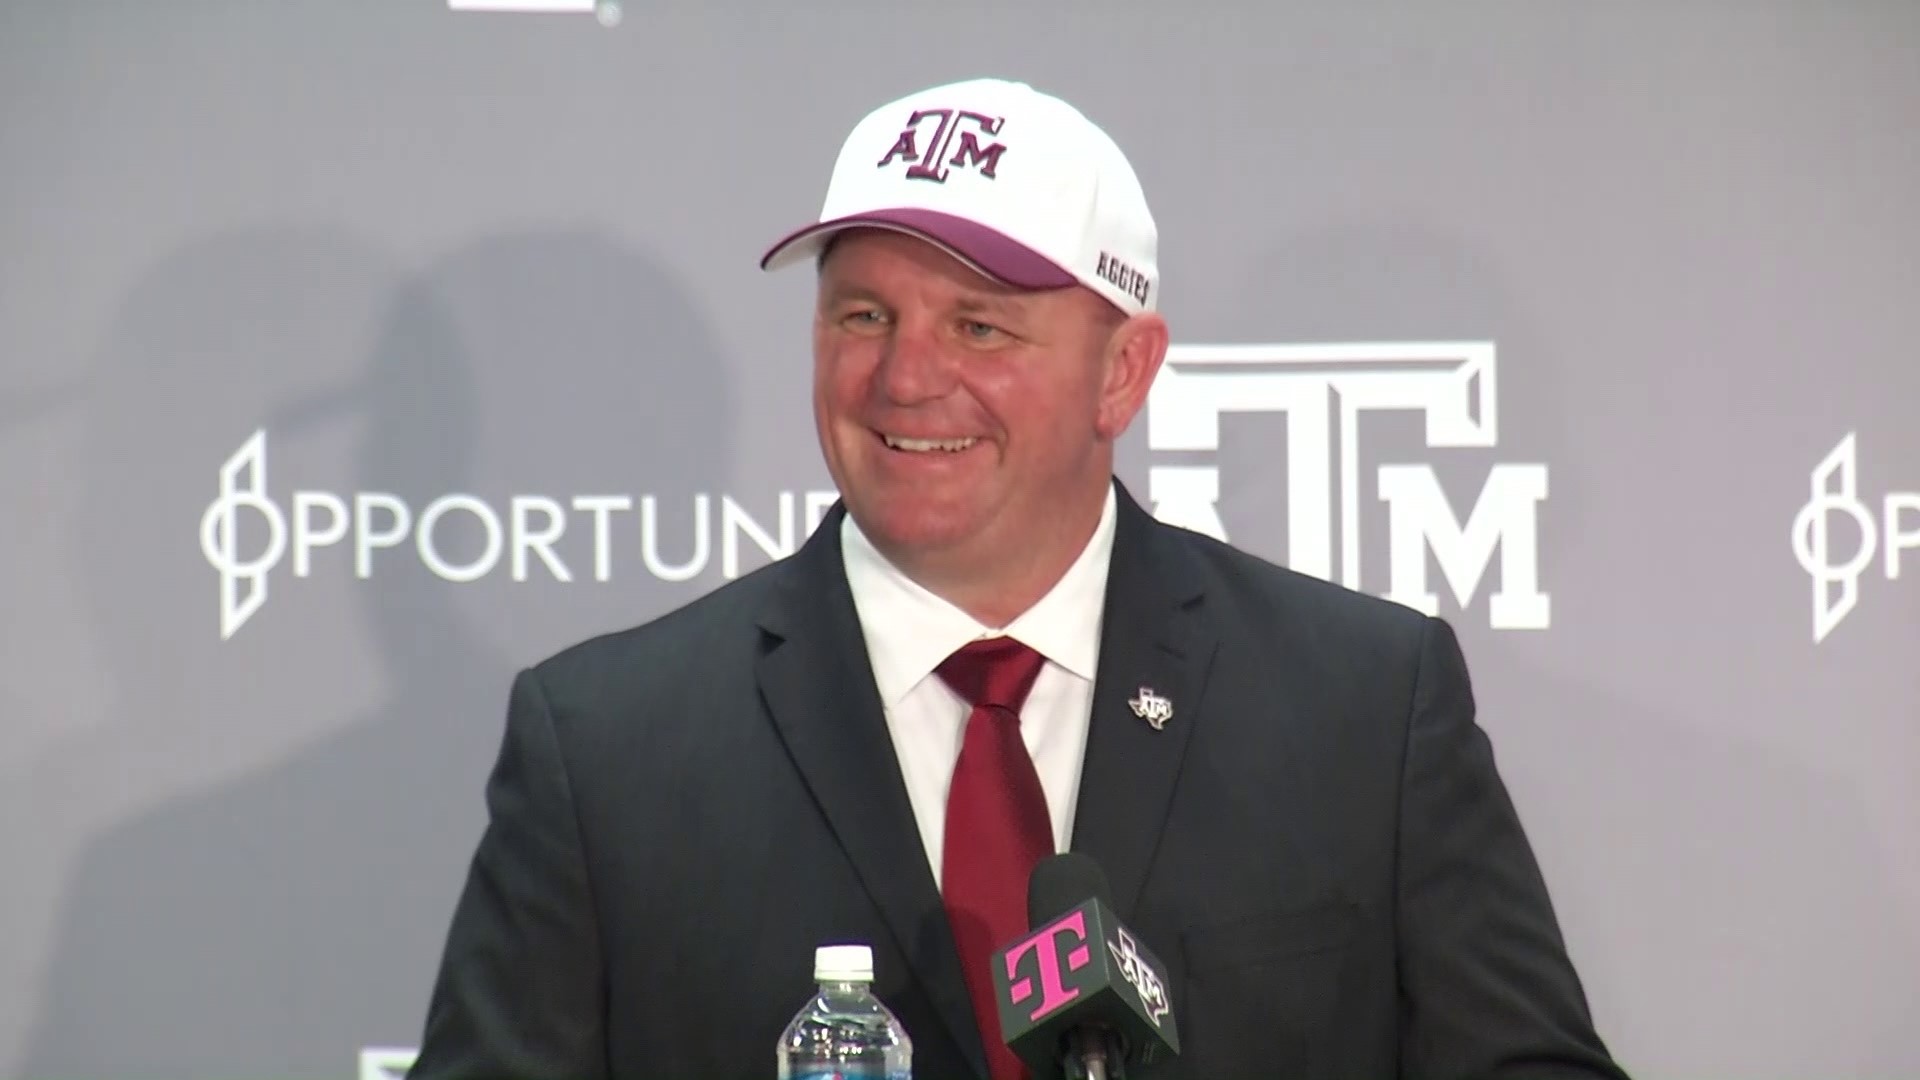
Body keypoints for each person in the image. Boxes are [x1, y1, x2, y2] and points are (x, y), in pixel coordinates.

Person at [406, 76, 1629, 1080]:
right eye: (863, 316)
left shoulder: (1363, 709)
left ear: (1123, 374)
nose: (903, 378)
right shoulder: (609, 749)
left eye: (979, 326)